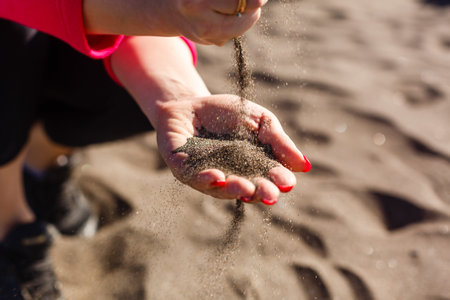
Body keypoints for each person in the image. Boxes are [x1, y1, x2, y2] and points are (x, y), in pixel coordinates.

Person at [0, 0, 311, 298]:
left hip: (58, 41)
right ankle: (8, 218)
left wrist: (174, 96)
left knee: (133, 97)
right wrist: (152, 10)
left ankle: (39, 164)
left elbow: (129, 35)